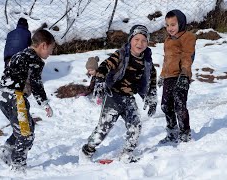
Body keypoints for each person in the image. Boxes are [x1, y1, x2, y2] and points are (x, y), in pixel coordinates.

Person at [80, 25, 157, 163]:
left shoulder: (147, 61)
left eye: (144, 40)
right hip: (112, 96)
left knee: (136, 126)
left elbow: (152, 80)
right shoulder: (121, 54)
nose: (140, 43)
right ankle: (86, 152)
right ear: (130, 40)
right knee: (103, 128)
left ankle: (126, 154)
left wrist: (152, 98)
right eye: (136, 39)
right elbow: (105, 65)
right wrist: (99, 81)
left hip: (128, 99)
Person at [0, 29, 54, 172]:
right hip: (15, 97)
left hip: (2, 96)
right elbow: (36, 84)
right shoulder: (35, 60)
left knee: (25, 128)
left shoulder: (19, 54)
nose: (50, 53)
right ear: (43, 46)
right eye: (51, 49)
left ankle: (7, 151)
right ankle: (18, 166)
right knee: (26, 134)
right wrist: (44, 103)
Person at [158, 9, 196, 144]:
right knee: (165, 106)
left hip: (180, 77)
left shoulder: (187, 37)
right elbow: (166, 60)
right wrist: (162, 75)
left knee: (179, 105)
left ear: (181, 23)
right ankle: (172, 132)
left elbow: (187, 56)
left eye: (173, 25)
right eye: (167, 25)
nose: (170, 28)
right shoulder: (167, 40)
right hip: (169, 77)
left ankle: (185, 133)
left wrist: (185, 74)